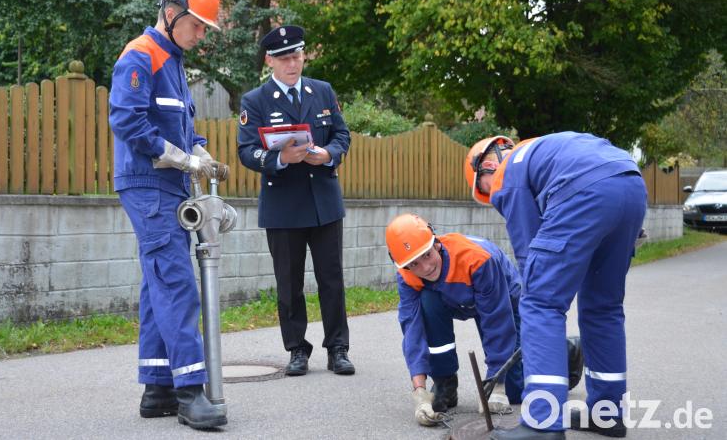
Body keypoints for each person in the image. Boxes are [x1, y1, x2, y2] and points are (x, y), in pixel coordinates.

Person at [464, 133, 647, 439]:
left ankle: (542, 422)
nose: (493, 199)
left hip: (586, 191)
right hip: (630, 185)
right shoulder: (543, 151)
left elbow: (529, 252)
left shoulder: (508, 172)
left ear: (487, 167)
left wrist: (536, 306)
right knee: (603, 307)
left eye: (485, 191)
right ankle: (607, 413)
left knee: (540, 304)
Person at [108, 0, 228, 430]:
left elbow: (183, 127)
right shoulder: (141, 55)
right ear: (172, 10)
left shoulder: (173, 61)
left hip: (169, 185)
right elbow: (126, 120)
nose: (201, 34)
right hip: (148, 183)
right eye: (197, 24)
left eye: (204, 28)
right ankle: (191, 391)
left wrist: (202, 153)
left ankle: (157, 387)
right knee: (176, 281)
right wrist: (181, 158)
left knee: (158, 280)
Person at [236, 25, 354, 377]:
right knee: (289, 282)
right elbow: (245, 151)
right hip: (283, 204)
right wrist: (280, 159)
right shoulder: (254, 101)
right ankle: (297, 350)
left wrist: (329, 154)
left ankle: (338, 348)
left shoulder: (322, 91)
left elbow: (341, 134)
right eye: (285, 58)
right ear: (270, 60)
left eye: (297, 55)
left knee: (331, 278)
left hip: (323, 201)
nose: (293, 63)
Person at [386, 213, 524, 426]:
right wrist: (419, 391)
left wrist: (495, 384)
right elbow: (412, 328)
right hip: (451, 298)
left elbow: (497, 321)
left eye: (427, 255)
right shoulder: (407, 276)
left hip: (502, 296)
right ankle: (445, 383)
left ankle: (567, 351)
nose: (425, 267)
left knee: (515, 390)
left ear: (436, 243)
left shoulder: (478, 260)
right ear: (403, 266)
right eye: (414, 264)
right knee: (428, 301)